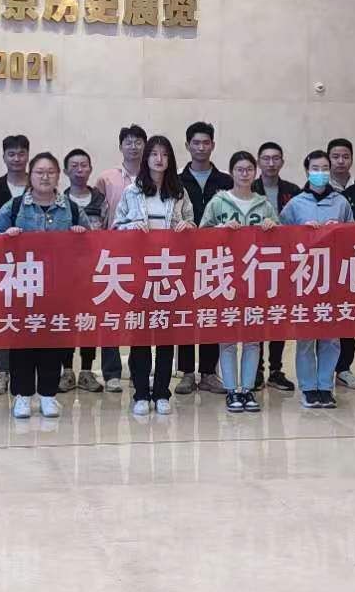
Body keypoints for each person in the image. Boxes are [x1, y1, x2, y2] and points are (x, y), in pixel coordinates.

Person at [0, 152, 88, 418]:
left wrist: (81, 236)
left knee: (53, 342)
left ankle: (48, 395)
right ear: (30, 176)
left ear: (58, 176)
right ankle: (22, 396)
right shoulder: (15, 206)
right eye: (39, 172)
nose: (45, 177)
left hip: (58, 288)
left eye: (50, 172)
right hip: (22, 287)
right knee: (21, 343)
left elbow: (91, 245)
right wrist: (6, 236)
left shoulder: (71, 209)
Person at [113, 134, 195, 415]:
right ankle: (140, 393)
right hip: (139, 273)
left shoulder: (179, 192)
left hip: (169, 273)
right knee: (140, 336)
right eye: (154, 154)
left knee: (165, 334)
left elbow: (192, 224)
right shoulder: (132, 192)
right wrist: (130, 227)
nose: (159, 159)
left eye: (165, 154)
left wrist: (187, 227)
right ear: (146, 158)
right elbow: (115, 229)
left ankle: (161, 392)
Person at [199, 150, 278, 412]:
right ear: (231, 172)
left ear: (255, 173)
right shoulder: (218, 202)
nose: (244, 174)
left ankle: (248, 389)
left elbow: (281, 240)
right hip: (226, 278)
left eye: (249, 169)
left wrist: (273, 227)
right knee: (228, 338)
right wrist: (218, 231)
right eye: (239, 169)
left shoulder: (264, 205)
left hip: (255, 279)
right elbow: (200, 236)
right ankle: (232, 389)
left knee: (253, 339)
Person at [279, 150, 354, 409]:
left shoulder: (341, 203)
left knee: (331, 337)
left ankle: (325, 386)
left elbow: (354, 236)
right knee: (306, 337)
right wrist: (302, 233)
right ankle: (308, 387)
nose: (320, 173)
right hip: (305, 277)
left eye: (324, 168)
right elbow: (281, 239)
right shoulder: (295, 204)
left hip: (333, 276)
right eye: (315, 168)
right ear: (307, 171)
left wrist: (339, 230)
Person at [175, 120, 233, 395]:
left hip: (216, 258)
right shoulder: (176, 181)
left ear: (213, 145)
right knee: (186, 313)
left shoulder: (226, 182)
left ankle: (209, 372)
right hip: (183, 258)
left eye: (205, 143)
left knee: (212, 314)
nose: (201, 147)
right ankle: (187, 372)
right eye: (196, 143)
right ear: (187, 146)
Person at [94, 123, 147, 395]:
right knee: (111, 314)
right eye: (128, 141)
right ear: (120, 146)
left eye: (138, 142)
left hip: (146, 255)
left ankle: (139, 371)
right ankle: (112, 372)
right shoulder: (106, 179)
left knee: (141, 313)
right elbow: (96, 215)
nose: (133, 146)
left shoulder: (154, 178)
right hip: (112, 254)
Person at [0, 133, 31, 396]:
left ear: (28, 156)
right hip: (2, 266)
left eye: (21, 153)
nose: (17, 159)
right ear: (4, 157)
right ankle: (1, 371)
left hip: (35, 266)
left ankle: (30, 370)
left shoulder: (39, 187)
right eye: (12, 154)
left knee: (32, 318)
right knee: (3, 318)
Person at [255, 140, 301, 392]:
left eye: (276, 158)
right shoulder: (248, 188)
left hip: (285, 263)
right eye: (266, 158)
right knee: (257, 317)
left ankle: (275, 369)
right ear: (259, 162)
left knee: (278, 317)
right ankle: (256, 370)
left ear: (282, 162)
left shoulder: (293, 191)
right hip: (254, 262)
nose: (271, 163)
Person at [62, 147, 109, 392]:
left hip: (95, 269)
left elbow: (111, 230)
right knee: (67, 322)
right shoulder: (60, 201)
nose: (79, 170)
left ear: (90, 169)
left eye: (84, 165)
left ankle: (87, 371)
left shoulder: (101, 200)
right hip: (66, 272)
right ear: (65, 171)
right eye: (74, 166)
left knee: (90, 321)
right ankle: (67, 371)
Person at [326, 136, 355, 390]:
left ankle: (343, 368)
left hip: (351, 264)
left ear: (351, 159)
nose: (340, 161)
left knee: (346, 316)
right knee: (323, 317)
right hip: (322, 265)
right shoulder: (315, 189)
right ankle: (322, 370)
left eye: (345, 156)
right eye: (335, 156)